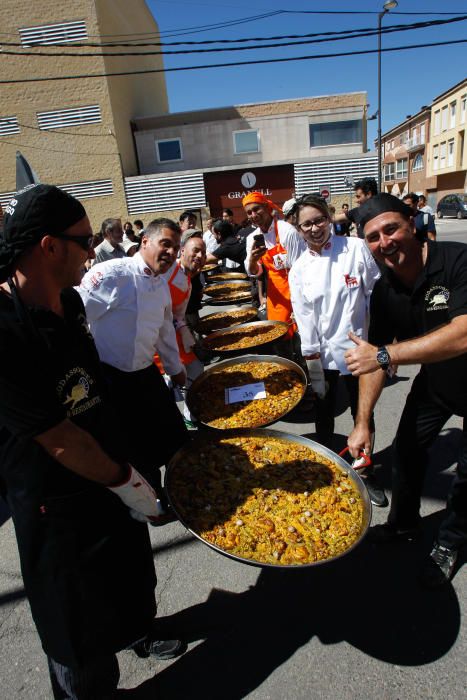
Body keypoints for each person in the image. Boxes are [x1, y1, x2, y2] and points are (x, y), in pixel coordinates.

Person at [0, 185, 182, 699]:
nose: (97, 250)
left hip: (103, 471)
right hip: (53, 502)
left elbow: (96, 388)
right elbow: (57, 438)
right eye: (85, 241)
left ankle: (136, 632)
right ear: (48, 246)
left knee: (123, 583)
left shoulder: (71, 303)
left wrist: (129, 461)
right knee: (77, 635)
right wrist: (127, 481)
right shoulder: (5, 329)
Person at [345, 193, 467, 587]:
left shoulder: (457, 260)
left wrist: (385, 354)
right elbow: (371, 360)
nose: (385, 242)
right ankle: (403, 522)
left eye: (391, 228)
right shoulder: (384, 290)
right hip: (438, 383)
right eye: (373, 237)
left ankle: (450, 542)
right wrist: (363, 423)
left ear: (412, 223)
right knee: (407, 450)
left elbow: (464, 334)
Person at [78, 218, 189, 509]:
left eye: (176, 248)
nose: (171, 252)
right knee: (134, 447)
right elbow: (77, 320)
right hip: (111, 377)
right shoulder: (112, 274)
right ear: (145, 242)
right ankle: (150, 502)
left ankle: (182, 488)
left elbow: (165, 333)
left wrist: (177, 371)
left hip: (146, 374)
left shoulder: (161, 286)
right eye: (165, 244)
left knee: (173, 434)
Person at [288, 195, 386, 506]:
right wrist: (311, 358)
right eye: (307, 224)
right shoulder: (299, 269)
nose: (314, 228)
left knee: (363, 413)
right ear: (299, 229)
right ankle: (328, 468)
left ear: (329, 217)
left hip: (360, 351)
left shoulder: (355, 248)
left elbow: (377, 291)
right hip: (322, 355)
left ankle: (365, 470)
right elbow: (303, 316)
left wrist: (383, 345)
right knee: (323, 414)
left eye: (319, 220)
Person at [243, 191, 306, 351]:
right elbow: (254, 272)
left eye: (257, 209)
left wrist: (297, 304)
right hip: (275, 294)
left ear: (266, 206)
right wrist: (252, 259)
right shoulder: (252, 238)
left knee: (302, 338)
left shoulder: (287, 231)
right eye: (249, 212)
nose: (253, 215)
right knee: (278, 336)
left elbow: (301, 270)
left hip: (296, 289)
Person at [160, 236, 207, 425]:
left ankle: (191, 415)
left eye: (203, 253)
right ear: (182, 251)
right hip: (156, 336)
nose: (200, 255)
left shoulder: (187, 281)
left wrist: (184, 329)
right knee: (168, 381)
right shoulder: (169, 270)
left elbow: (177, 314)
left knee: (195, 368)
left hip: (173, 332)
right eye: (195, 250)